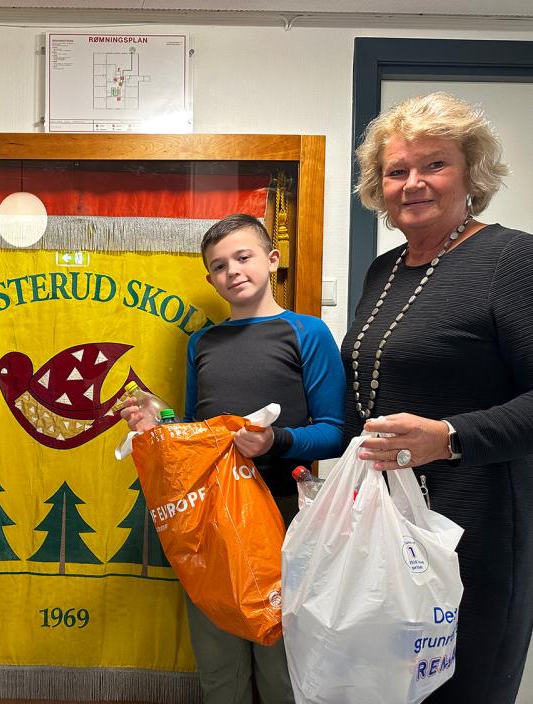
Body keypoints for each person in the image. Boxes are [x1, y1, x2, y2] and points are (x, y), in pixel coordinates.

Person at [346, 92, 533, 703]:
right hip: (386, 526)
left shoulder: (512, 258)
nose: (413, 183)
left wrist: (449, 437)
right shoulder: (384, 270)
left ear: (471, 173)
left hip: (474, 534)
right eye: (396, 170)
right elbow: (370, 389)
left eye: (435, 164)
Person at [123, 213, 345, 704]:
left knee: (281, 665)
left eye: (243, 257)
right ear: (210, 279)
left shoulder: (307, 333)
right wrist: (161, 425)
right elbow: (197, 433)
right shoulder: (202, 343)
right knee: (218, 666)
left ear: (272, 259)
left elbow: (335, 433)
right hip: (209, 520)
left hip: (284, 516)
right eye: (219, 265)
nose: (233, 271)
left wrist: (275, 442)